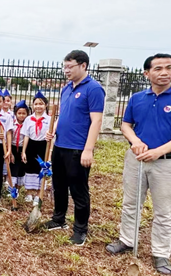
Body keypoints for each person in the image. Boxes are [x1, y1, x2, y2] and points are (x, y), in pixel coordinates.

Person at [106, 53, 171, 275]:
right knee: (131, 203)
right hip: (137, 160)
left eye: (169, 67)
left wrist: (159, 151)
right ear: (147, 73)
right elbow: (126, 125)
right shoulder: (137, 98)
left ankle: (160, 253)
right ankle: (127, 239)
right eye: (158, 69)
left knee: (164, 211)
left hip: (167, 163)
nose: (164, 72)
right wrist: (135, 141)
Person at [43, 50, 105, 247]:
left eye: (70, 67)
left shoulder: (94, 89)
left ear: (83, 66)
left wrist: (88, 149)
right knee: (59, 186)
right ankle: (58, 219)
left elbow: (96, 121)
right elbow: (63, 115)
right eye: (65, 66)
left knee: (78, 190)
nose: (66, 70)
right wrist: (53, 130)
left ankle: (80, 230)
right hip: (60, 146)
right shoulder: (66, 88)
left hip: (78, 149)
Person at [21, 91, 52, 206]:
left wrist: (49, 155)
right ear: (33, 105)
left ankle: (39, 194)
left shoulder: (49, 120)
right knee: (29, 169)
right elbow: (26, 135)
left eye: (41, 104)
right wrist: (24, 151)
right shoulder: (28, 119)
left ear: (46, 105)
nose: (38, 106)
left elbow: (50, 138)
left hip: (43, 146)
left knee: (41, 169)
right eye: (36, 104)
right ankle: (29, 193)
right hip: (31, 146)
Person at [9, 100, 29, 196]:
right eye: (19, 113)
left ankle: (18, 189)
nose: (21, 115)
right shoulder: (12, 124)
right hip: (13, 148)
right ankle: (12, 190)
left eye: (24, 113)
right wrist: (10, 152)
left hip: (23, 149)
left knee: (21, 170)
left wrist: (24, 152)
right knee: (13, 169)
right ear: (15, 113)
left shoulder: (28, 125)